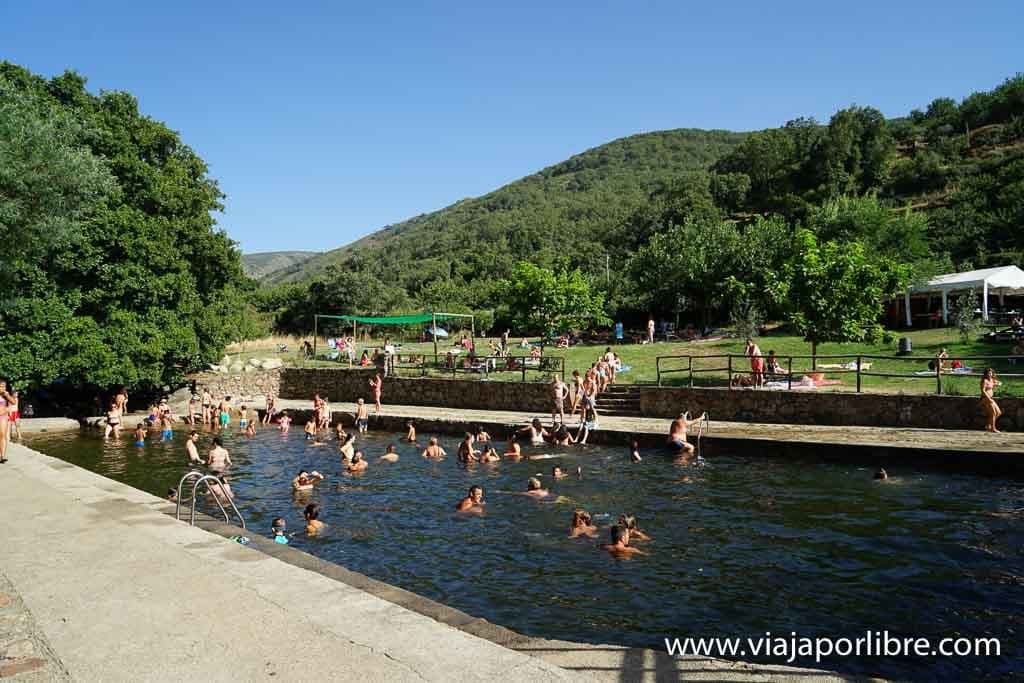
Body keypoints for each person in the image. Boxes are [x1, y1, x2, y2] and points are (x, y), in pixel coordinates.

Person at [980, 367, 1002, 433]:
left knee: (998, 412)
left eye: (990, 373)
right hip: (986, 398)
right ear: (986, 374)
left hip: (991, 398)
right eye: (988, 373)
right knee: (993, 413)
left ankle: (988, 425)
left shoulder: (992, 380)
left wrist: (996, 384)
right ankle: (993, 428)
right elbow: (983, 390)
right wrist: (988, 398)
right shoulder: (985, 381)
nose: (989, 374)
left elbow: (1000, 382)